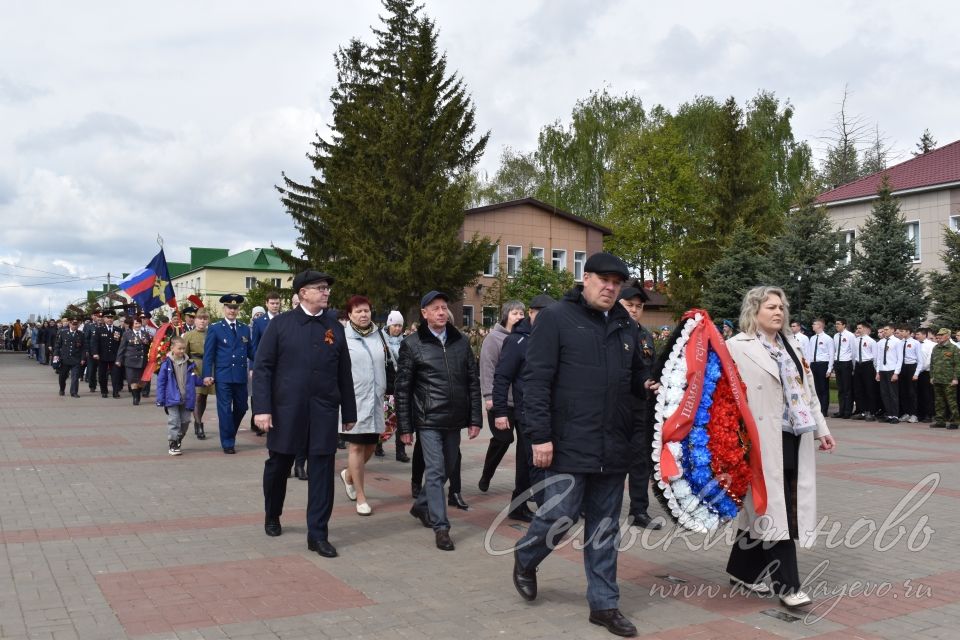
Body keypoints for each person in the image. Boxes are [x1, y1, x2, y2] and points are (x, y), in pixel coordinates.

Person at [512, 253, 647, 638]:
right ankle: (526, 556)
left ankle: (604, 605)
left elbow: (637, 375)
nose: (610, 287)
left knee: (605, 528)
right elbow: (535, 381)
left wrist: (650, 385)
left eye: (617, 283)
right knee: (560, 515)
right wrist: (539, 436)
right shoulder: (556, 318)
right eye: (603, 279)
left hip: (613, 444)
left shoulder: (626, 326)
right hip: (568, 442)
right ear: (584, 278)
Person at [725, 286, 836, 609]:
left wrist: (822, 430)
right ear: (754, 311)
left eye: (781, 307)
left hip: (794, 435)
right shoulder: (737, 347)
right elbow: (724, 398)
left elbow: (808, 391)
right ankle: (788, 585)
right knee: (777, 510)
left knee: (764, 508)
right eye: (771, 307)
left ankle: (741, 571)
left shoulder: (792, 346)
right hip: (759, 440)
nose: (778, 312)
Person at [253, 270, 357, 559]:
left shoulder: (334, 327)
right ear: (301, 294)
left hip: (323, 411)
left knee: (322, 472)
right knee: (278, 466)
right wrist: (261, 409)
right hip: (287, 411)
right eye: (319, 288)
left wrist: (349, 411)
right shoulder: (281, 325)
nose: (326, 292)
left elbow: (343, 372)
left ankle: (318, 534)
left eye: (327, 288)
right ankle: (272, 513)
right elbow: (263, 368)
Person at [396, 290, 482, 551]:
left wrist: (475, 418)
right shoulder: (412, 344)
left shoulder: (461, 341)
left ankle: (422, 505)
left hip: (454, 419)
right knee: (435, 470)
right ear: (424, 313)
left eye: (444, 307)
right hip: (428, 419)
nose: (442, 312)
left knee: (446, 469)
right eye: (435, 308)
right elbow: (403, 389)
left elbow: (472, 382)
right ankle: (441, 527)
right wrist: (405, 427)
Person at [492, 294, 555, 523]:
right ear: (531, 312)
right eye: (539, 314)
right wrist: (500, 411)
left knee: (526, 460)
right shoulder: (517, 340)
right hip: (526, 411)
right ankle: (549, 513)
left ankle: (517, 506)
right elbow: (501, 377)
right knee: (537, 461)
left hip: (548, 410)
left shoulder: (550, 338)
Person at [336, 295, 386, 516]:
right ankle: (361, 497)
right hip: (353, 400)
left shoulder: (379, 335)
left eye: (366, 310)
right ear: (349, 315)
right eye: (358, 311)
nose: (364, 315)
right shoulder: (342, 337)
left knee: (371, 447)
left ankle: (348, 475)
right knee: (355, 447)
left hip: (375, 399)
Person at [618, 284, 662, 530]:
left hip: (640, 408)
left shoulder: (644, 334)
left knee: (640, 461)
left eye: (639, 306)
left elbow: (651, 366)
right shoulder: (610, 331)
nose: (634, 310)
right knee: (609, 460)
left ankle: (639, 511)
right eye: (629, 305)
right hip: (614, 408)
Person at [477, 300, 526, 493]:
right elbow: (487, 368)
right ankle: (487, 474)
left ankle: (523, 488)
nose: (519, 317)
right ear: (506, 315)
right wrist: (489, 396)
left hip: (521, 402)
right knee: (503, 440)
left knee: (526, 448)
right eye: (515, 313)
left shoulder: (525, 338)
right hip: (501, 401)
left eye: (522, 313)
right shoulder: (494, 338)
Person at [203, 294, 254, 454]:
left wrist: (266, 361)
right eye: (229, 307)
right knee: (224, 409)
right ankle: (228, 442)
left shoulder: (244, 328)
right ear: (224, 308)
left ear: (239, 309)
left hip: (239, 375)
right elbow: (209, 354)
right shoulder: (215, 328)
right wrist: (207, 374)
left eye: (235, 308)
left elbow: (251, 351)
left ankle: (229, 432)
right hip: (223, 375)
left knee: (242, 407)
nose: (232, 310)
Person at [155, 337, 204, 455]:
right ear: (172, 348)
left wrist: (204, 381)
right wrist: (160, 399)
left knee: (186, 421)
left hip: (187, 398)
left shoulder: (189, 363)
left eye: (184, 349)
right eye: (179, 348)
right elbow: (161, 382)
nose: (182, 351)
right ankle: (173, 442)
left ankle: (177, 439)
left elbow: (194, 379)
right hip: (171, 398)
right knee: (174, 420)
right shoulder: (167, 364)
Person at [378, 310, 409, 462]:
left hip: (402, 387)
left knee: (402, 419)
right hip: (388, 387)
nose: (397, 329)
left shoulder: (405, 342)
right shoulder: (381, 340)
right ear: (389, 324)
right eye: (395, 325)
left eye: (400, 326)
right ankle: (378, 444)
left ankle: (400, 451)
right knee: (388, 419)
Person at [183, 309, 214, 439]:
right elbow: (184, 353)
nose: (202, 321)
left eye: (205, 318)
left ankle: (198, 419)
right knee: (197, 396)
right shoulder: (189, 335)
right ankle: (198, 423)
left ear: (208, 321)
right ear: (194, 320)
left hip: (208, 367)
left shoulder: (212, 333)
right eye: (200, 318)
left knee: (204, 397)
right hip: (194, 367)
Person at [116, 316, 152, 406]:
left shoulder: (145, 334)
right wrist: (118, 360)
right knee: (132, 381)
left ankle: (137, 392)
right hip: (130, 361)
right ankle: (136, 397)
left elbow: (150, 347)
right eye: (136, 323)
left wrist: (147, 342)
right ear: (132, 325)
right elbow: (122, 348)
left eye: (139, 323)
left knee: (142, 382)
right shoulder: (127, 334)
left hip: (143, 361)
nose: (138, 325)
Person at [805, 318, 834, 417]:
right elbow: (809, 353)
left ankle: (824, 410)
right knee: (815, 388)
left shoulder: (828, 338)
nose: (812, 326)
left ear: (820, 326)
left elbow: (831, 354)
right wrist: (807, 366)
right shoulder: (812, 338)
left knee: (823, 388)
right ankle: (816, 409)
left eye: (814, 324)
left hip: (823, 364)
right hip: (814, 364)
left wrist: (829, 368)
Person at [874, 323, 903, 424]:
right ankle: (889, 414)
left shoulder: (897, 342)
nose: (884, 331)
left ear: (892, 330)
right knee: (885, 394)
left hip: (892, 369)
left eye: (886, 330)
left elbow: (900, 358)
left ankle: (895, 415)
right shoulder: (881, 342)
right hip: (883, 370)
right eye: (884, 330)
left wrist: (896, 373)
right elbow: (879, 358)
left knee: (893, 393)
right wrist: (877, 372)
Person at [851, 321, 879, 421]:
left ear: (866, 329)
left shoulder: (871, 341)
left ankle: (871, 412)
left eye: (860, 328)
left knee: (869, 389)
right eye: (857, 328)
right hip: (858, 365)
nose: (858, 330)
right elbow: (854, 355)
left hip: (868, 365)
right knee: (858, 389)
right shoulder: (855, 340)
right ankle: (861, 411)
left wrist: (876, 370)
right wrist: (854, 367)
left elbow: (875, 357)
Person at [93, 310, 124, 398]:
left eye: (111, 318)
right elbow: (95, 342)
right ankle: (104, 390)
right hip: (102, 356)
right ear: (104, 318)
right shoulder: (99, 330)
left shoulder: (118, 330)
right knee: (102, 375)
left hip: (115, 356)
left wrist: (121, 356)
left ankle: (115, 391)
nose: (110, 319)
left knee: (116, 375)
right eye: (108, 317)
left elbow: (121, 344)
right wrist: (95, 353)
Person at [53, 317, 85, 397]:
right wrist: (56, 356)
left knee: (75, 377)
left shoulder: (81, 334)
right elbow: (57, 346)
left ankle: (74, 392)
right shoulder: (63, 333)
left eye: (76, 324)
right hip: (65, 359)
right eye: (73, 324)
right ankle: (62, 389)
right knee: (62, 376)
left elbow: (83, 348)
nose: (74, 326)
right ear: (69, 324)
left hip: (76, 359)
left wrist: (83, 358)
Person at [897, 325, 922, 423]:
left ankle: (914, 414)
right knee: (903, 392)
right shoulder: (900, 343)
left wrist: (916, 373)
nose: (901, 333)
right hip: (902, 367)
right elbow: (899, 358)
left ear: (908, 332)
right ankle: (906, 413)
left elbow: (920, 360)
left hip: (912, 367)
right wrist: (897, 371)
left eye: (902, 331)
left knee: (912, 392)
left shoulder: (915, 343)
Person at [916, 328, 935, 422]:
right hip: (916, 372)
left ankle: (929, 414)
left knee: (927, 394)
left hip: (926, 372)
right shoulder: (916, 343)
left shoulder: (931, 345)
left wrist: (919, 370)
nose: (916, 336)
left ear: (924, 335)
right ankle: (921, 414)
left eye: (918, 334)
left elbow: (929, 360)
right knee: (919, 393)